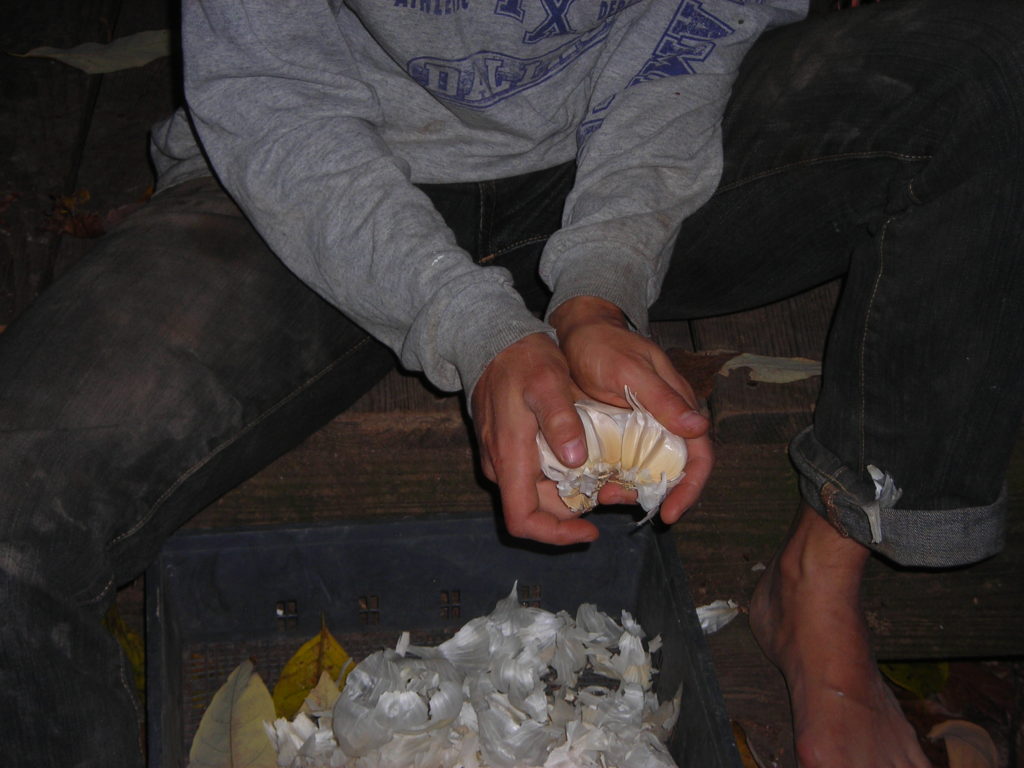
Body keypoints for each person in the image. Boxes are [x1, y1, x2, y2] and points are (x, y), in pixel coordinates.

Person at [2, 0, 1022, 766]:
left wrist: (599, 289)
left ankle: (822, 577)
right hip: (314, 178)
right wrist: (480, 328)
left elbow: (695, 23)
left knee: (984, 72)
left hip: (625, 139)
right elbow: (272, 100)